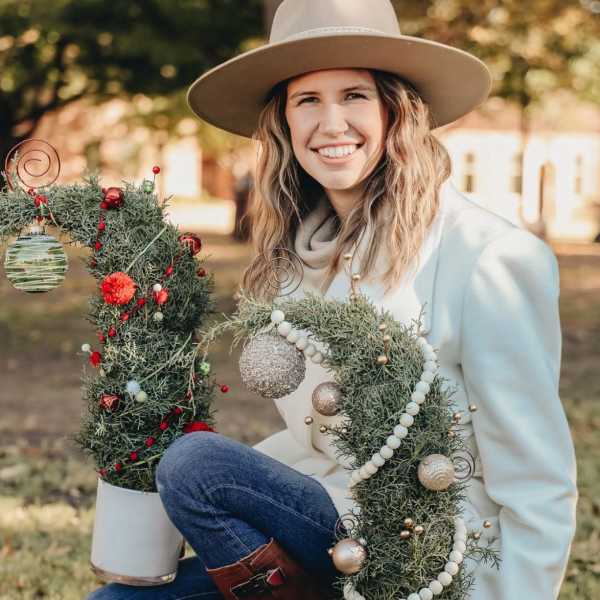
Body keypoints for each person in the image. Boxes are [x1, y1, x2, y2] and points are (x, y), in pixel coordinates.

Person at [87, 1, 577, 599]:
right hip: (332, 532)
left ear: (396, 109)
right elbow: (315, 446)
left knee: (197, 466)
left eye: (354, 96)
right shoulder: (297, 259)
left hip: (432, 552)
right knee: (115, 598)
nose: (331, 122)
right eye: (307, 100)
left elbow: (537, 478)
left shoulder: (490, 257)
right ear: (283, 122)